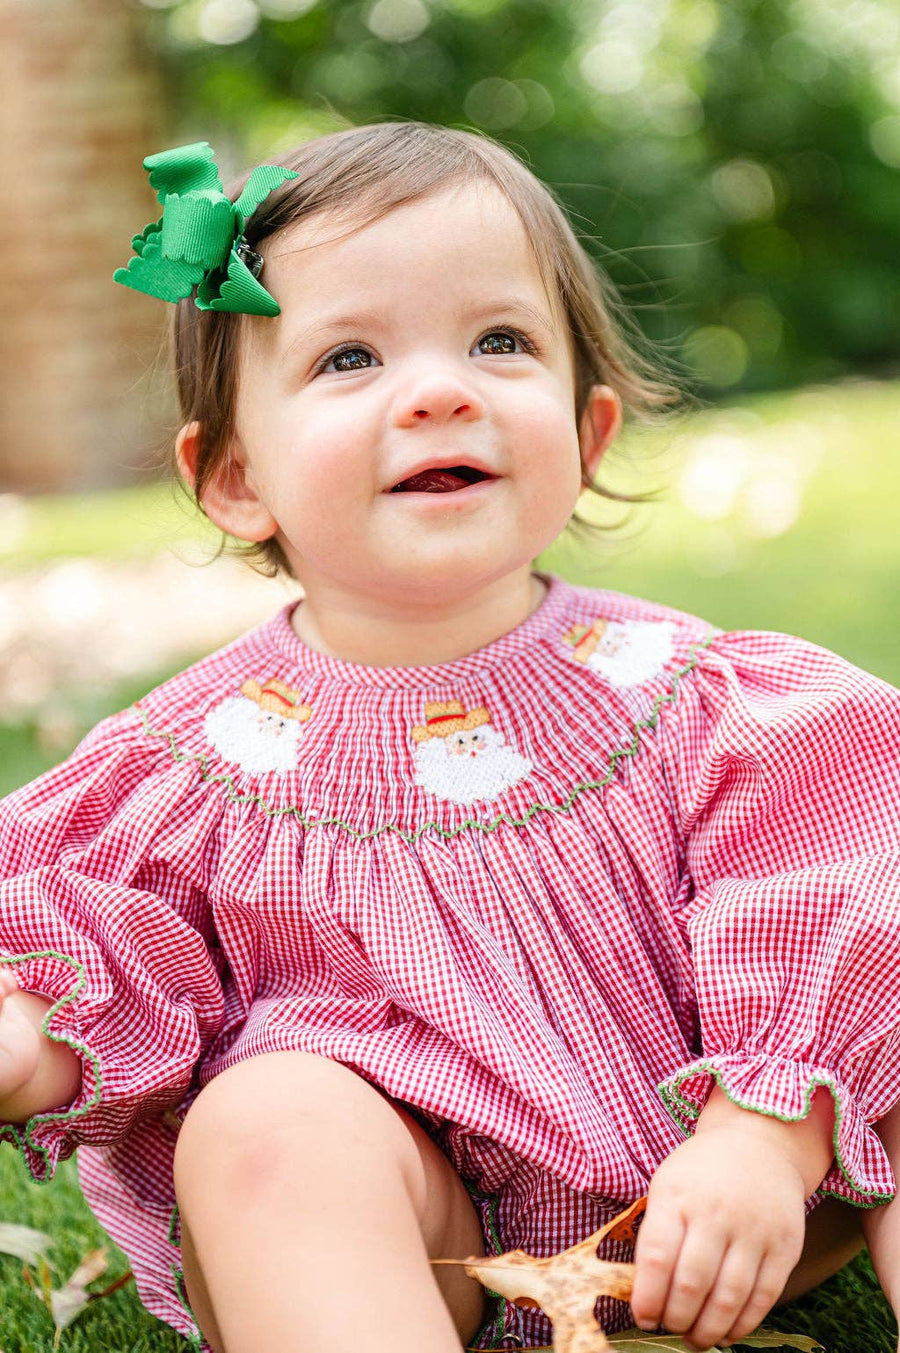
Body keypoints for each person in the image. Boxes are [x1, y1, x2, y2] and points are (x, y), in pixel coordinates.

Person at [0, 120, 898, 1353]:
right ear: (234, 478)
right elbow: (118, 953)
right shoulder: (189, 767)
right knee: (265, 1123)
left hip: (738, 1199)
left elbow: (839, 880)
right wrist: (26, 1030)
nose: (441, 389)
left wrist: (766, 1127)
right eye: (351, 356)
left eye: (499, 342)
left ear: (586, 436)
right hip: (435, 1242)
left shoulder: (700, 700)